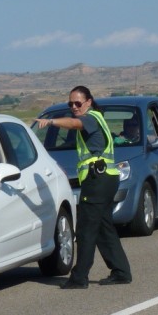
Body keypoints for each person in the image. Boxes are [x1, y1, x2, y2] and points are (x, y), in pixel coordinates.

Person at [35, 86, 132, 289]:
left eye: (78, 103)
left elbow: (73, 123)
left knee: (86, 228)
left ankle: (79, 277)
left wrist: (51, 121)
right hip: (106, 179)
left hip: (98, 181)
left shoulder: (90, 119)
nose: (74, 107)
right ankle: (121, 271)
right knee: (104, 227)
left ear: (88, 102)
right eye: (71, 103)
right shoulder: (98, 117)